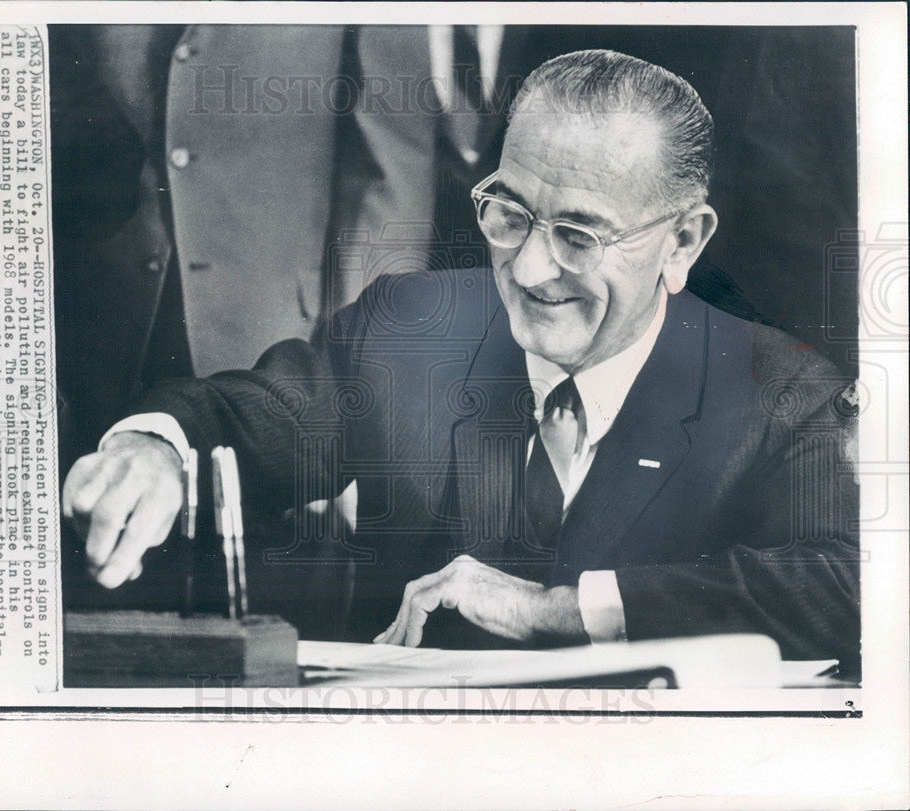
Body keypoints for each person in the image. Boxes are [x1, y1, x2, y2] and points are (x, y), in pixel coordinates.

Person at [61, 50, 859, 668]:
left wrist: (556, 607)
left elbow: (851, 585)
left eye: (579, 236)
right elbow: (251, 414)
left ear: (683, 241)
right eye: (508, 213)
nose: (528, 269)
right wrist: (156, 448)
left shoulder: (780, 392)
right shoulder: (414, 328)